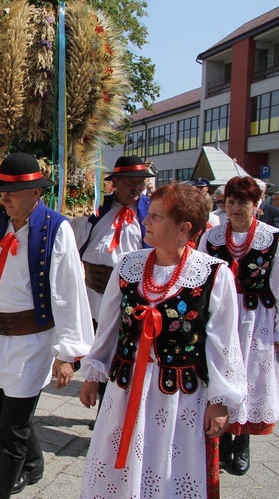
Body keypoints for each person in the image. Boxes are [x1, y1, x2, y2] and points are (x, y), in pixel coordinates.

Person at [0, 152, 93, 498]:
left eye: (12, 192)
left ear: (36, 193)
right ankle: (34, 462)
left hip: (32, 341)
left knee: (9, 430)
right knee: (8, 409)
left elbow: (68, 293)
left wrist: (67, 353)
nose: (4, 198)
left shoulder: (56, 228)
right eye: (1, 191)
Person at [79, 183, 246, 498]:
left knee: (170, 466)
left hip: (179, 396)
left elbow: (223, 343)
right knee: (119, 465)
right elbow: (110, 327)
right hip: (126, 388)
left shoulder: (213, 274)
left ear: (183, 228)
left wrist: (220, 400)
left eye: (155, 216)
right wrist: (93, 373)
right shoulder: (129, 265)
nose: (146, 221)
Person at [199, 175, 279, 475]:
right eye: (230, 202)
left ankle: (243, 441)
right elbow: (203, 279)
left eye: (242, 202)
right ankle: (225, 438)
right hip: (222, 316)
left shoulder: (272, 238)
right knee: (222, 369)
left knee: (250, 373)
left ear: (256, 204)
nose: (235, 208)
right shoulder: (213, 237)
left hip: (256, 317)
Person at [72, 155, 156, 429]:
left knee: (117, 354)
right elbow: (76, 241)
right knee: (95, 350)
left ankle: (108, 416)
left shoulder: (151, 212)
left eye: (140, 182)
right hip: (92, 290)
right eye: (130, 182)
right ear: (115, 183)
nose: (136, 187)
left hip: (130, 294)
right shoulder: (95, 208)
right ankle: (96, 398)